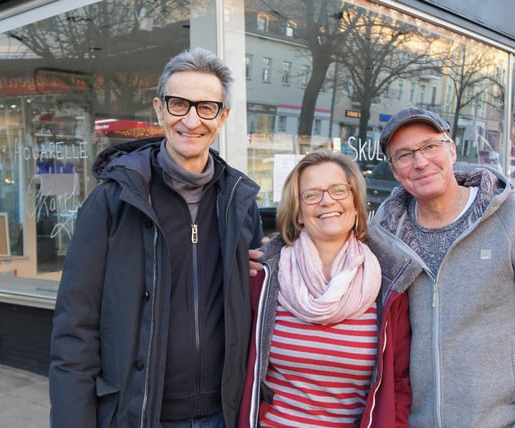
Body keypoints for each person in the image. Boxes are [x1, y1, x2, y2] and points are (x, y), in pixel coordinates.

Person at [49, 47, 263, 428]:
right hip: (141, 415)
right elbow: (74, 330)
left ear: (223, 116)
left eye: (206, 107)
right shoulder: (113, 203)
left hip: (224, 416)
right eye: (179, 104)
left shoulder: (239, 203)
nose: (191, 120)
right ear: (159, 109)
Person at [372, 106, 515, 427]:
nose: (420, 162)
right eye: (405, 154)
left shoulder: (514, 219)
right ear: (395, 170)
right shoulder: (386, 233)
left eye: (429, 146)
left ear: (451, 150)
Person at [240, 150, 420, 427]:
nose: (327, 201)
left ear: (356, 203)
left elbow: (398, 384)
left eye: (338, 190)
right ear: (298, 212)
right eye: (312, 194)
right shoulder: (263, 276)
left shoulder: (387, 282)